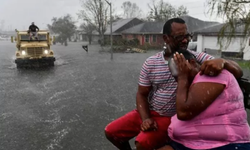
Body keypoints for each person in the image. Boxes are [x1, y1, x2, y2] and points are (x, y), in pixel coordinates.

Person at [104, 18, 243, 150]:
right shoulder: (151, 63)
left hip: (170, 117)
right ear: (166, 38)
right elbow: (142, 94)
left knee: (142, 143)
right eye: (179, 37)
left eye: (188, 36)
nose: (185, 40)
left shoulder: (195, 57)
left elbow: (238, 71)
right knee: (111, 132)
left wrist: (223, 61)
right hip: (150, 112)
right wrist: (146, 118)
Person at [158, 50, 250, 150]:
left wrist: (182, 77)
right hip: (190, 142)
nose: (177, 80)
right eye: (175, 76)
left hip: (222, 144)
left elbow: (184, 112)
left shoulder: (210, 73)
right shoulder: (194, 80)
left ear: (192, 63)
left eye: (181, 70)